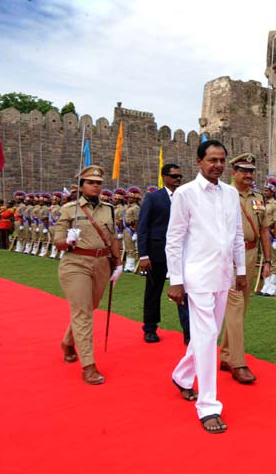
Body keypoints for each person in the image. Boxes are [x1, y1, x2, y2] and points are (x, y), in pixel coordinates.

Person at [166, 140, 247, 434]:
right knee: (208, 334)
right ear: (199, 162)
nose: (218, 165)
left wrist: (242, 270)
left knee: (205, 335)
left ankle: (182, 375)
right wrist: (176, 280)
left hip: (223, 276)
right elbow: (174, 239)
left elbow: (237, 235)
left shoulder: (230, 194)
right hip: (197, 276)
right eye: (212, 159)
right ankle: (208, 406)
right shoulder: (185, 194)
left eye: (222, 160)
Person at [53, 166, 123, 385]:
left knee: (89, 306)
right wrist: (68, 241)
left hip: (102, 264)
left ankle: (67, 342)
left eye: (99, 182)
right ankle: (89, 365)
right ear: (81, 185)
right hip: (76, 264)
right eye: (91, 182)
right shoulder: (69, 209)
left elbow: (112, 238)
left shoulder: (109, 209)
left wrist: (118, 262)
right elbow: (57, 240)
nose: (95, 186)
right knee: (83, 313)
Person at [219, 153, 272, 384]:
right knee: (235, 305)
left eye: (251, 171)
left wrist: (268, 260)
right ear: (234, 173)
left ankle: (225, 353)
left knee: (242, 306)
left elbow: (264, 230)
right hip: (229, 256)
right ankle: (237, 362)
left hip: (250, 254)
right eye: (243, 170)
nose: (248, 175)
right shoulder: (222, 195)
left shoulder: (258, 198)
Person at [137, 163, 191, 344]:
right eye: (174, 176)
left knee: (184, 291)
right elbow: (143, 227)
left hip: (181, 252)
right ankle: (150, 328)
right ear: (164, 177)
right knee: (154, 290)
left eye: (180, 176)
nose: (178, 179)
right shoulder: (153, 198)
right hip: (157, 252)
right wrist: (143, 255)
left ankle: (189, 331)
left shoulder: (185, 197)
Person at [258, 175, 276, 296]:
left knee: (273, 260)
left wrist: (275, 238)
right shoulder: (263, 203)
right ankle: (266, 284)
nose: (265, 192)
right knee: (265, 260)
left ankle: (273, 286)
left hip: (271, 235)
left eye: (267, 190)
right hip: (264, 235)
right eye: (264, 190)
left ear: (273, 192)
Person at [122, 188, 141, 273]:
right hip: (126, 228)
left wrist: (136, 232)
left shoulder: (136, 208)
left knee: (131, 248)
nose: (129, 199)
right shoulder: (127, 207)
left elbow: (137, 220)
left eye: (131, 198)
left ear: (136, 199)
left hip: (131, 229)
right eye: (129, 197)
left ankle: (131, 265)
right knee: (127, 247)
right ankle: (128, 265)